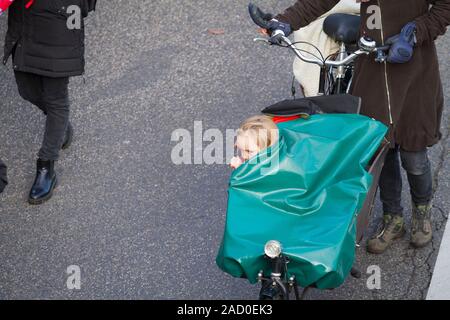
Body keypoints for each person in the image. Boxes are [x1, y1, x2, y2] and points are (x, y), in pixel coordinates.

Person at [264, 0, 450, 253]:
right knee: (380, 151)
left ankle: (422, 213)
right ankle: (392, 217)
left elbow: (444, 8)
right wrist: (286, 20)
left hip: (415, 71)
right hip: (371, 68)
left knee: (414, 155)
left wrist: (414, 33)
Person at [3, 0, 96, 205]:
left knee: (56, 99)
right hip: (26, 20)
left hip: (60, 20)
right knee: (26, 89)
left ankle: (46, 166)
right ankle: (60, 125)